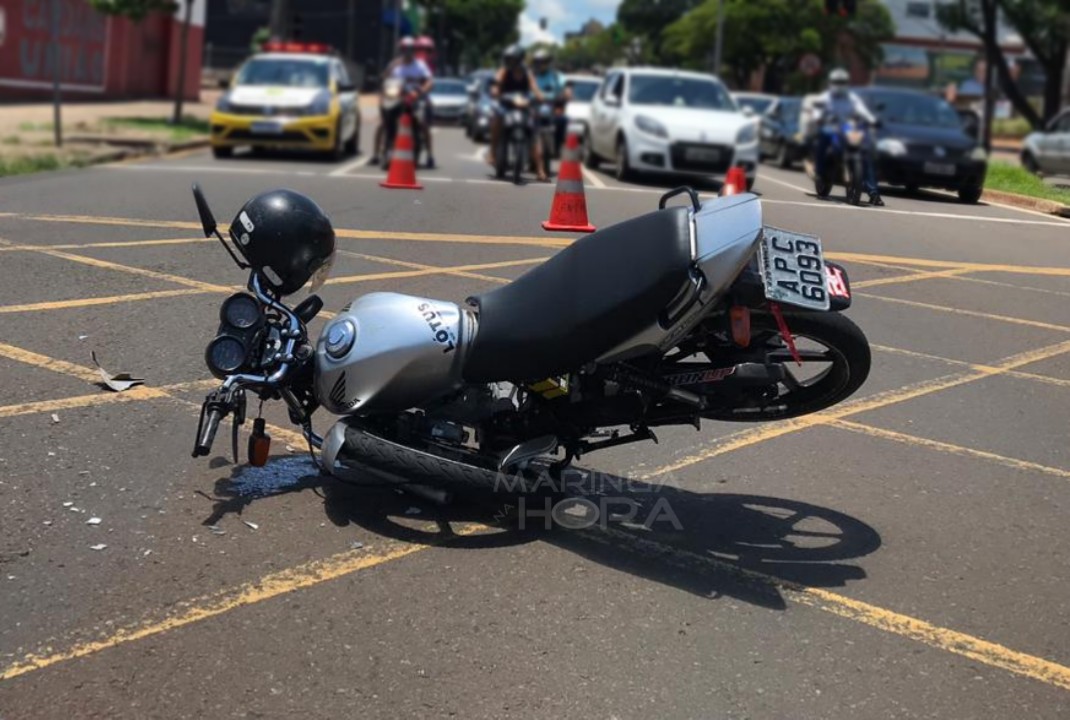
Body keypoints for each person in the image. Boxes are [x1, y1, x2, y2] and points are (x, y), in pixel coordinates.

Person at [811, 68, 883, 206]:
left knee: (865, 156)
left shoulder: (852, 98)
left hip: (848, 129)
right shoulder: (825, 97)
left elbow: (863, 111)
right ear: (831, 82)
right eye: (837, 82)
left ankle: (873, 193)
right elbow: (817, 112)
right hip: (831, 128)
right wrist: (818, 118)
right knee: (823, 137)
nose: (839, 84)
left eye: (842, 82)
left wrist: (873, 120)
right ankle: (820, 172)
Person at [371, 37, 436, 169]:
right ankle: (377, 154)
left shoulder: (420, 65)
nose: (407, 52)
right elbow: (384, 80)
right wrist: (384, 93)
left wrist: (419, 92)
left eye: (410, 49)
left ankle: (430, 155)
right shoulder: (394, 65)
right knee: (383, 123)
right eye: (404, 49)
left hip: (416, 100)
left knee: (423, 123)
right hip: (396, 99)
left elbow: (429, 81)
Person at [489, 44, 548, 182]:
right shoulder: (504, 71)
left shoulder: (527, 73)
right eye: (507, 59)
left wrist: (539, 95)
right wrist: (495, 90)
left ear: (519, 59)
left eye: (512, 59)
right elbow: (496, 84)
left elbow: (534, 87)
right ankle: (492, 153)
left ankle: (540, 170)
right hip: (507, 104)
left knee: (534, 133)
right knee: (497, 118)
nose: (509, 62)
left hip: (524, 106)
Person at [531, 48, 571, 157]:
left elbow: (565, 88)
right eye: (538, 62)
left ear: (548, 62)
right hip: (533, 106)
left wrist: (566, 94)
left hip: (551, 106)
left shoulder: (556, 76)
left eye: (544, 62)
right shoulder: (531, 76)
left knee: (562, 120)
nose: (541, 65)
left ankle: (556, 148)